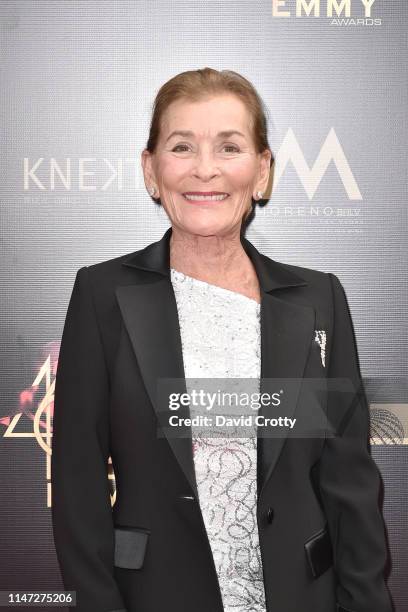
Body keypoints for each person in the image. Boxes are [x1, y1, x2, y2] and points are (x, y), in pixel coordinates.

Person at [51, 68, 393, 612]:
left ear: (261, 172)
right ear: (151, 169)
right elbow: (78, 487)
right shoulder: (102, 295)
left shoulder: (317, 300)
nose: (205, 169)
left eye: (229, 147)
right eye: (182, 146)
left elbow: (348, 483)